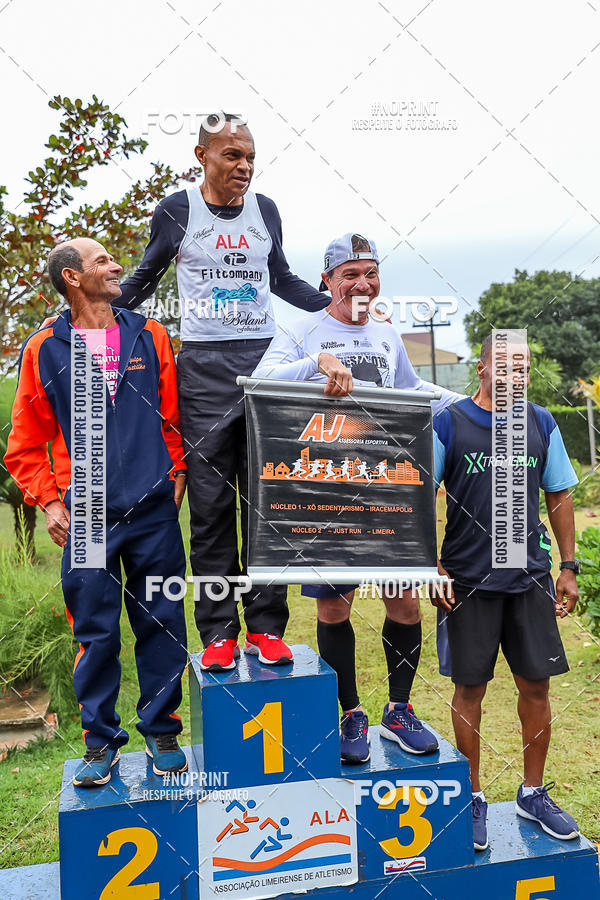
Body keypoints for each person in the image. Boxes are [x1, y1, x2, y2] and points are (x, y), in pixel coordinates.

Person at [115, 113, 330, 672]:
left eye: (251, 156)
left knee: (267, 504)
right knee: (210, 510)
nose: (245, 166)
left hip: (266, 364)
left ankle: (266, 628)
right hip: (204, 371)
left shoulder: (266, 211)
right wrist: (90, 315)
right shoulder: (177, 209)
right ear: (202, 155)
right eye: (233, 155)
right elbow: (144, 277)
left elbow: (282, 278)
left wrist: (337, 309)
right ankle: (217, 632)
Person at [253, 232, 463, 764]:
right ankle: (350, 713)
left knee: (404, 601)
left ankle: (399, 711)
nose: (362, 284)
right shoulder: (301, 330)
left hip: (387, 488)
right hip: (325, 490)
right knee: (333, 605)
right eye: (350, 274)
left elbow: (414, 392)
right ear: (327, 280)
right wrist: (317, 362)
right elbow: (260, 381)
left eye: (371, 273)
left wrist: (475, 405)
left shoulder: (388, 335)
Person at [5, 238, 189, 786]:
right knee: (96, 631)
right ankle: (100, 743)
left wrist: (175, 477)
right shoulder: (44, 348)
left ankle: (162, 731)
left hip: (154, 512)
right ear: (72, 278)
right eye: (102, 261)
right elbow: (24, 442)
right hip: (85, 518)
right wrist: (50, 501)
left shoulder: (150, 334)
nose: (116, 266)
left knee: (162, 620)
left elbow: (172, 420)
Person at [431, 334, 580, 851]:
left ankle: (532, 793)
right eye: (506, 365)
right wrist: (430, 565)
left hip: (529, 577)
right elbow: (417, 492)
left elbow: (558, 493)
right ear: (482, 368)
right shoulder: (450, 422)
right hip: (467, 581)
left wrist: (567, 566)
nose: (516, 376)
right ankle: (471, 796)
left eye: (524, 367)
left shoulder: (541, 422)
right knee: (470, 690)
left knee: (536, 687)